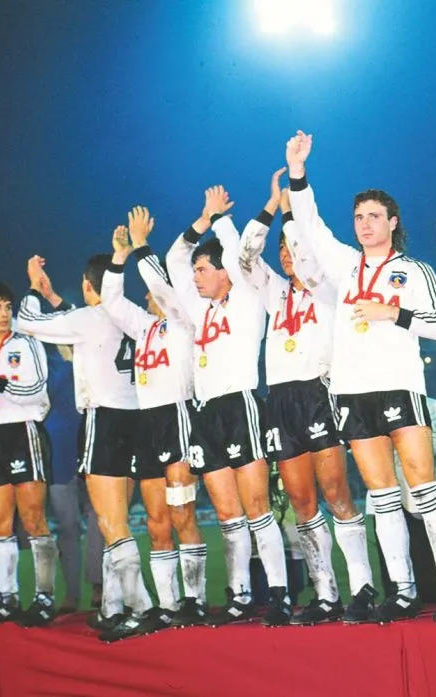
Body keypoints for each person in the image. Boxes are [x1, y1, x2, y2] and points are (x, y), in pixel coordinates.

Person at [286, 130, 436, 624]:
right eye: (359, 217)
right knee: (382, 497)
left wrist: (395, 313)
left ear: (392, 222)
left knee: (424, 490)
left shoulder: (413, 270)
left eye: (373, 216)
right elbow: (310, 224)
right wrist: (298, 172)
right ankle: (403, 591)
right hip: (351, 392)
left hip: (399, 387)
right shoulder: (345, 265)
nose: (364, 224)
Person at [238, 171, 375, 624]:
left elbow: (304, 249)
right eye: (282, 250)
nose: (287, 255)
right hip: (280, 398)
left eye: (292, 248)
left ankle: (363, 587)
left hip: (318, 392)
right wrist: (270, 207)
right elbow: (245, 256)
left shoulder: (327, 287)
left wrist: (291, 215)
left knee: (336, 492)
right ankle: (325, 593)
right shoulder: (274, 291)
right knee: (301, 503)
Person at [164, 186, 292, 627]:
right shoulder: (198, 307)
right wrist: (202, 219)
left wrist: (221, 219)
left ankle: (279, 593)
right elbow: (173, 258)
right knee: (226, 513)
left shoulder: (247, 296)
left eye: (203, 270)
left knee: (257, 507)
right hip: (206, 413)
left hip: (241, 406)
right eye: (196, 271)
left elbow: (239, 252)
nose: (195, 277)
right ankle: (239, 596)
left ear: (224, 272)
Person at [16, 253, 155, 642]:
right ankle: (112, 606)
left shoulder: (90, 318)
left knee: (111, 523)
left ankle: (140, 608)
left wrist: (34, 287)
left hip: (104, 420)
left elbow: (26, 321)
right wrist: (56, 299)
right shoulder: (128, 314)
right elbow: (86, 320)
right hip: (136, 419)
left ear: (87, 284)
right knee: (114, 522)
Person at [102, 208, 209, 630]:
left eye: (151, 291)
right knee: (156, 520)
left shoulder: (184, 320)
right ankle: (167, 605)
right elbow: (112, 302)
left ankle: (195, 601)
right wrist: (119, 256)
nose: (147, 295)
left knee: (182, 513)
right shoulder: (143, 327)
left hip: (177, 415)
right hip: (146, 423)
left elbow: (163, 288)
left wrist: (143, 245)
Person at [0, 282, 58, 626]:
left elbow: (37, 390)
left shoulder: (27, 344)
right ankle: (8, 598)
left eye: (7, 307)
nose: (3, 314)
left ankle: (45, 597)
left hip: (23, 432)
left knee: (33, 519)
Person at [43, 344, 84, 614]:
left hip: (94, 439)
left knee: (103, 520)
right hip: (59, 450)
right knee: (68, 526)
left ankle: (102, 587)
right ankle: (71, 593)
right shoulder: (44, 356)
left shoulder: (92, 346)